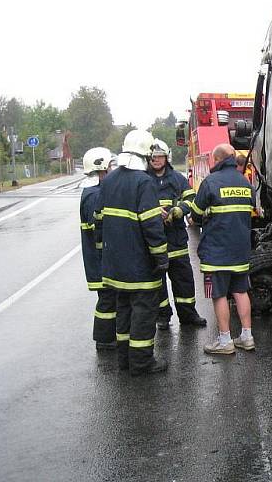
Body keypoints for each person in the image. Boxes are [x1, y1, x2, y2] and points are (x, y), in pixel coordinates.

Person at [96, 129, 169, 375]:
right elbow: (151, 224)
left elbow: (98, 220)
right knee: (144, 314)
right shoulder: (143, 182)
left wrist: (103, 252)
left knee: (123, 311)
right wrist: (160, 256)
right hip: (140, 266)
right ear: (146, 154)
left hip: (115, 265)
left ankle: (124, 360)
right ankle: (141, 363)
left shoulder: (109, 180)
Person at [189, 144, 255, 354]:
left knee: (219, 294)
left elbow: (196, 215)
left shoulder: (210, 182)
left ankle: (225, 340)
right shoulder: (245, 183)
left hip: (217, 250)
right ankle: (247, 336)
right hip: (241, 249)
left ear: (217, 160)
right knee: (240, 291)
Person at [148, 139, 207, 329]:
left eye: (159, 156)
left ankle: (188, 315)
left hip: (176, 240)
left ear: (166, 158)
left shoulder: (177, 179)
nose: (155, 160)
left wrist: (179, 210)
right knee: (157, 284)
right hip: (154, 241)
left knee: (184, 281)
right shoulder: (144, 180)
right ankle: (162, 317)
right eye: (152, 157)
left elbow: (191, 198)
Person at [80, 147, 116, 350]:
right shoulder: (94, 195)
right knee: (107, 301)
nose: (111, 170)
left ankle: (107, 336)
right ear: (101, 169)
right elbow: (99, 228)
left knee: (109, 299)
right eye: (109, 166)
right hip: (100, 260)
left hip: (101, 259)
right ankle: (104, 339)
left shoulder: (94, 191)